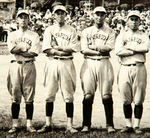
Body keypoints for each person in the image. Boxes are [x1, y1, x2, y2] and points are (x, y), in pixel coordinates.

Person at [37, 5, 79, 134]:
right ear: (53, 15)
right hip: (52, 62)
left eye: (62, 13)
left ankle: (69, 125)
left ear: (66, 15)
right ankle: (48, 123)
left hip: (66, 63)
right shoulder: (49, 29)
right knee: (49, 94)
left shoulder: (71, 30)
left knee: (68, 95)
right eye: (57, 13)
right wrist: (61, 50)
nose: (60, 15)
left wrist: (58, 49)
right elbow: (46, 48)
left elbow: (74, 48)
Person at [80, 6, 116, 133]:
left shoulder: (110, 31)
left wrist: (93, 47)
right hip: (89, 63)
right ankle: (86, 124)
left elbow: (109, 47)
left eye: (102, 15)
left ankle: (110, 125)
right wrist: (100, 50)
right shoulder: (86, 31)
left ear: (105, 16)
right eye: (97, 14)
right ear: (93, 16)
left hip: (104, 63)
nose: (99, 17)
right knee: (88, 95)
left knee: (106, 95)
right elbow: (84, 49)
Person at [115, 10, 149, 134]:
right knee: (125, 98)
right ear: (127, 21)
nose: (134, 22)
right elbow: (118, 51)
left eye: (136, 19)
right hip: (124, 67)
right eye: (132, 19)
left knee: (139, 98)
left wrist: (129, 48)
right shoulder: (122, 35)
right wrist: (135, 51)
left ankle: (136, 125)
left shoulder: (144, 35)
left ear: (140, 21)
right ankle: (128, 125)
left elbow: (145, 48)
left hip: (139, 67)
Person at [7, 9, 40, 133]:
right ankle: (15, 125)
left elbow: (34, 52)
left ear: (29, 19)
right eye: (21, 17)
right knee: (15, 96)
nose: (23, 20)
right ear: (17, 20)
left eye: (26, 17)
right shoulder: (12, 34)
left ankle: (29, 124)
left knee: (29, 96)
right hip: (15, 65)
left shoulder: (34, 35)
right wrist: (24, 48)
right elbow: (12, 50)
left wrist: (19, 49)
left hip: (29, 65)